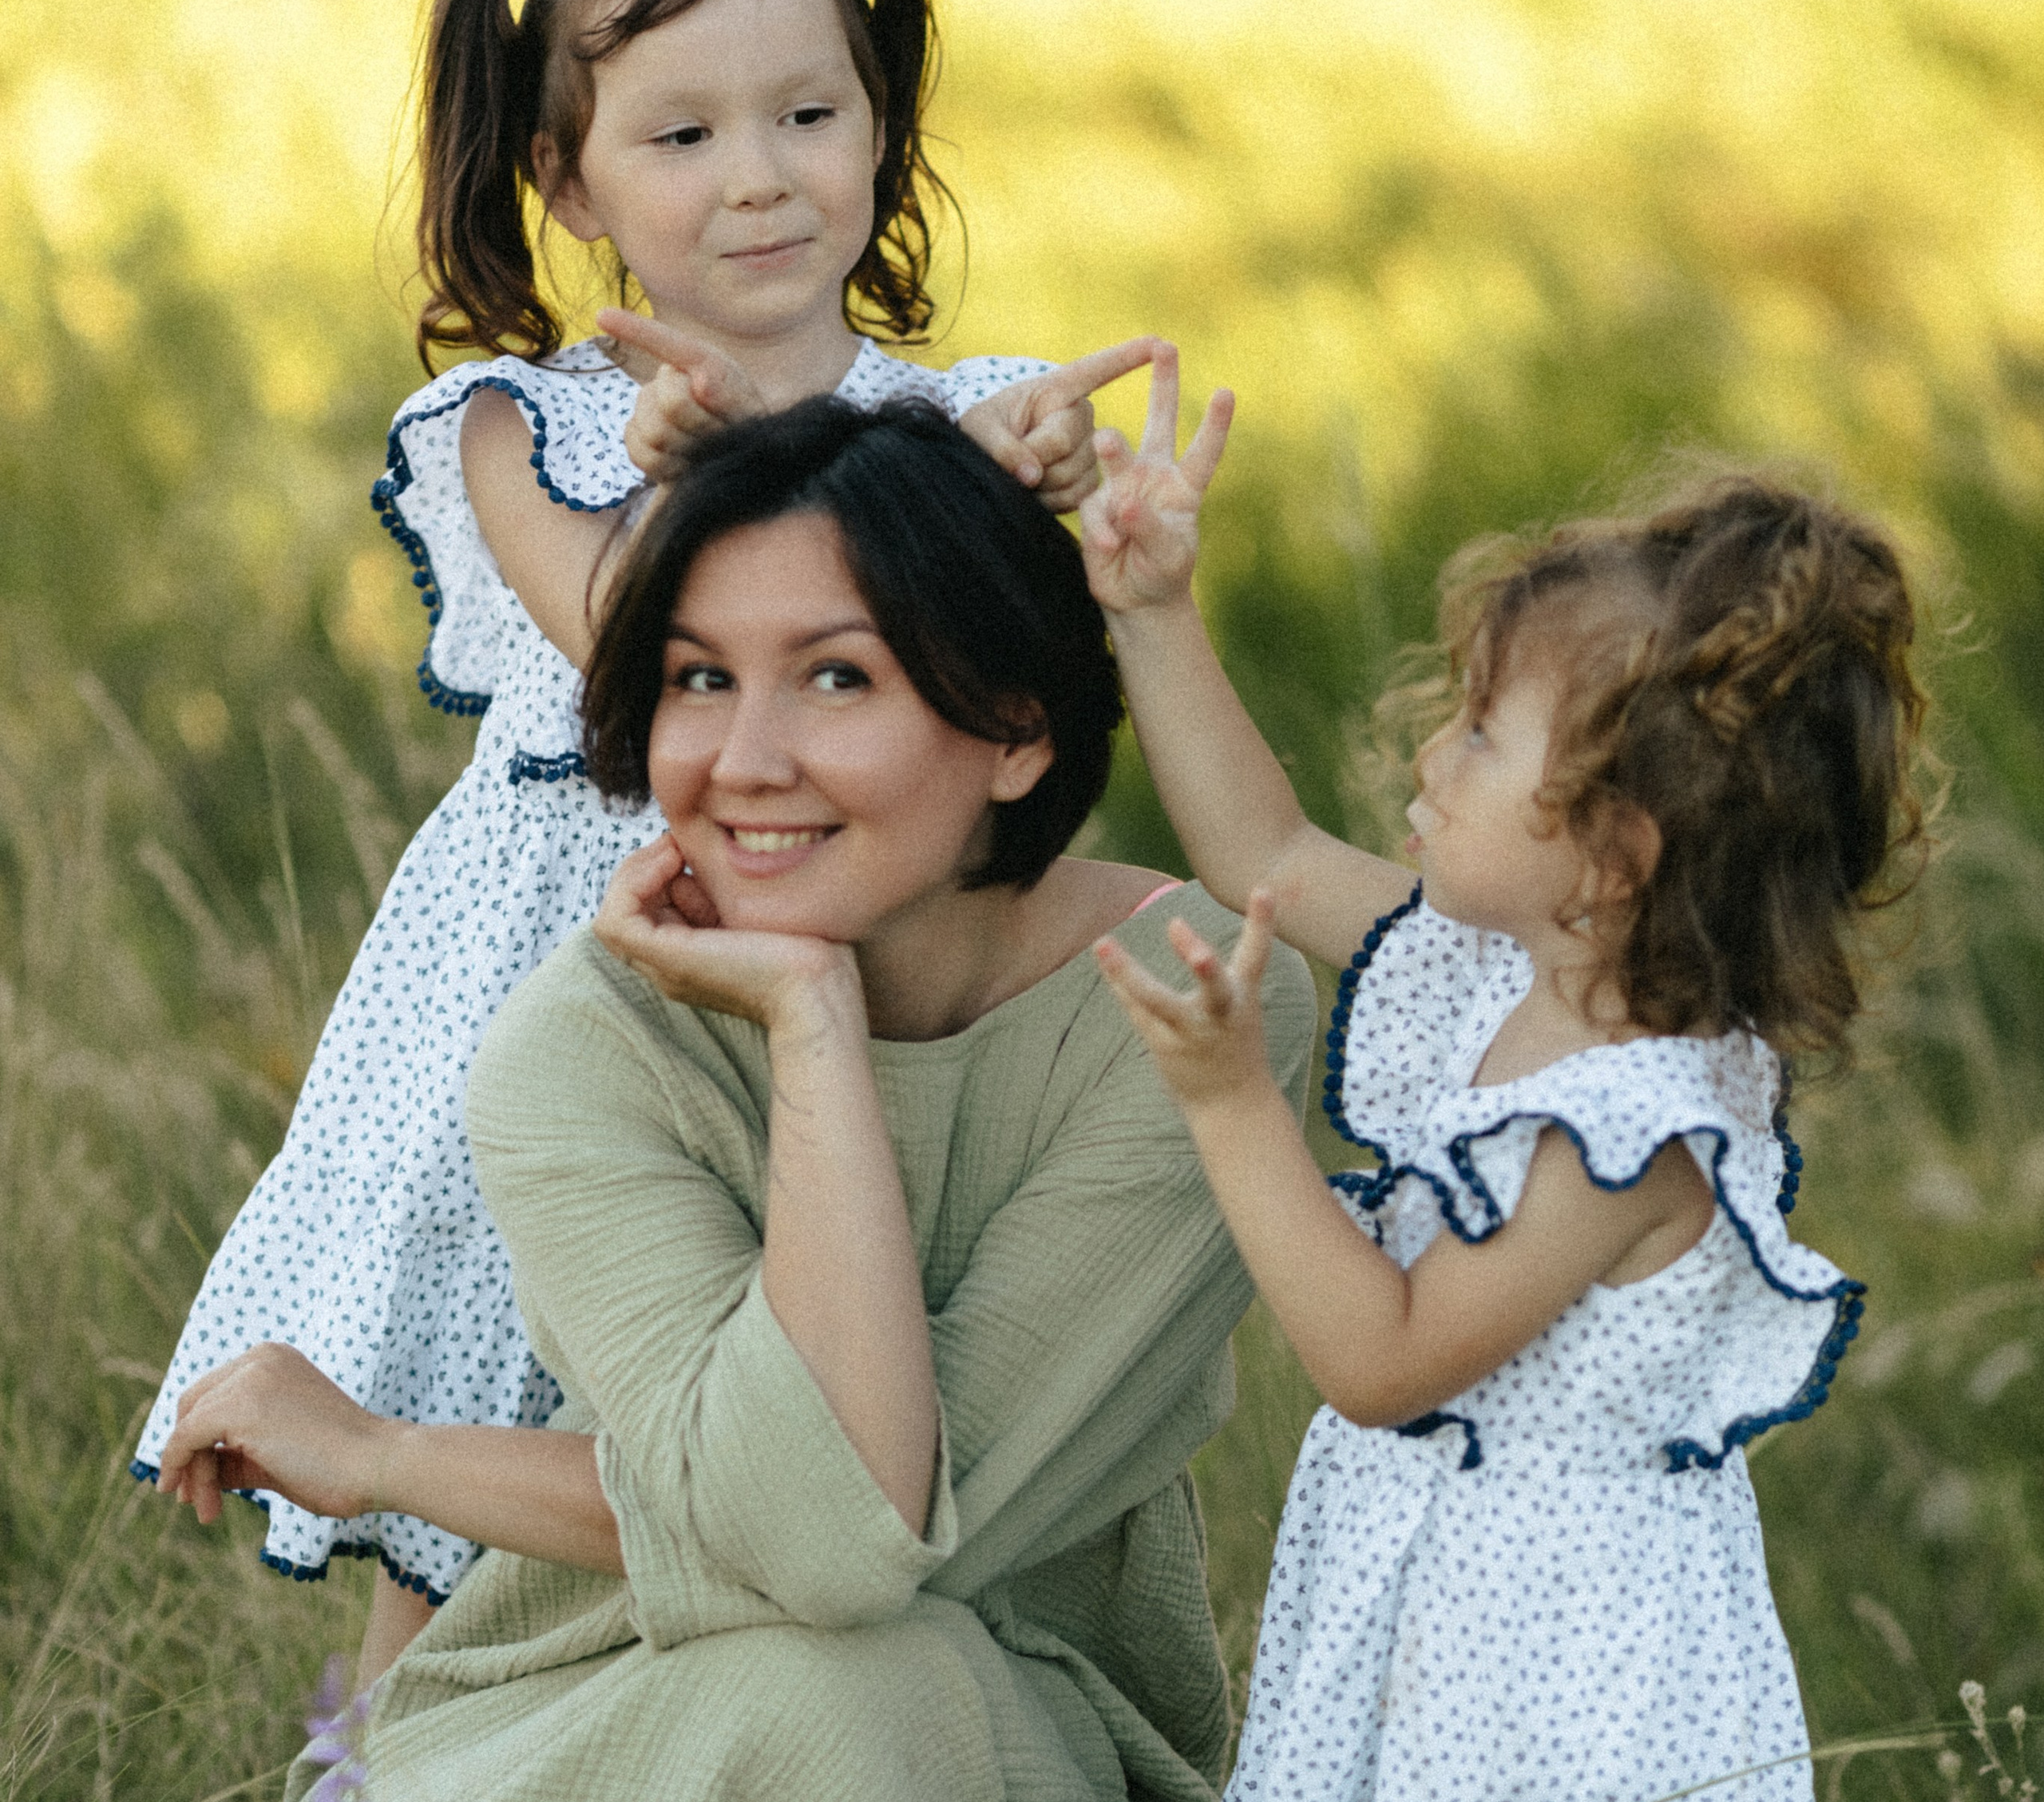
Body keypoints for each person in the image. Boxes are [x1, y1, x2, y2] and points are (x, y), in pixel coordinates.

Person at [133, 0, 1151, 1681]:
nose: (756, 175)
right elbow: (637, 653)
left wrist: (1023, 497)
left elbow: (999, 664)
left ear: (880, 128)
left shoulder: (962, 416)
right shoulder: (525, 426)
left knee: (768, 1428)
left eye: (807, 116)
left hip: (842, 981)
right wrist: (728, 479)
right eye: (681, 132)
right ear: (568, 180)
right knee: (471, 1508)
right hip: (576, 971)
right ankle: (386, 1762)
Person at [154, 394, 1318, 1801]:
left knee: (863, 1688)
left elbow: (856, 1545)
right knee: (843, 1693)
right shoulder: (582, 1049)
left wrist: (400, 1457)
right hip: (580, 1712)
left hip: (1009, 1720)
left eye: (836, 679)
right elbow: (818, 1542)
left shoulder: (1184, 1013)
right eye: (699, 679)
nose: (744, 761)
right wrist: (812, 1019)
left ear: (1017, 727)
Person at [1079, 354, 1926, 1800]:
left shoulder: (1642, 1126)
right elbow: (1265, 855)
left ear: (1614, 853)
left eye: (1479, 732)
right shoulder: (1496, 970)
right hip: (1433, 1615)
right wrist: (1153, 609)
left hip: (1557, 1688)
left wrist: (1233, 1107)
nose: (1429, 752)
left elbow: (1383, 1363)